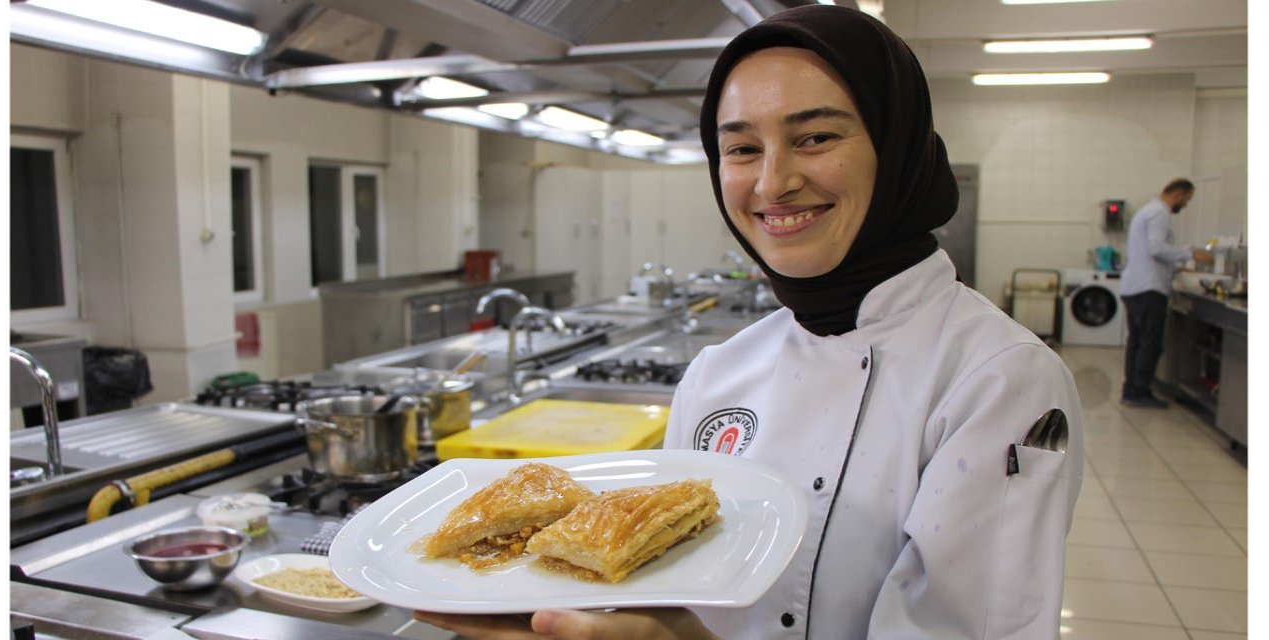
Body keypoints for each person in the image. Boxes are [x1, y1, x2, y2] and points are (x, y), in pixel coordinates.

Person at [413, 5, 1084, 639]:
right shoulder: (720, 372)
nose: (772, 183)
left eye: (815, 137)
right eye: (740, 149)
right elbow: (667, 593)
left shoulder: (997, 381)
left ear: (896, 146)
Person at [1118, 179, 1213, 408]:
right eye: (1187, 200)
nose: (1185, 205)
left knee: (1137, 342)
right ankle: (1139, 392)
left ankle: (1131, 389)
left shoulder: (1146, 212)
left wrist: (1175, 266)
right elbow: (1156, 248)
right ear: (1179, 194)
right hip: (1149, 289)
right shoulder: (1159, 214)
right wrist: (1189, 253)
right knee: (1150, 343)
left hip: (1136, 286)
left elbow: (1149, 252)